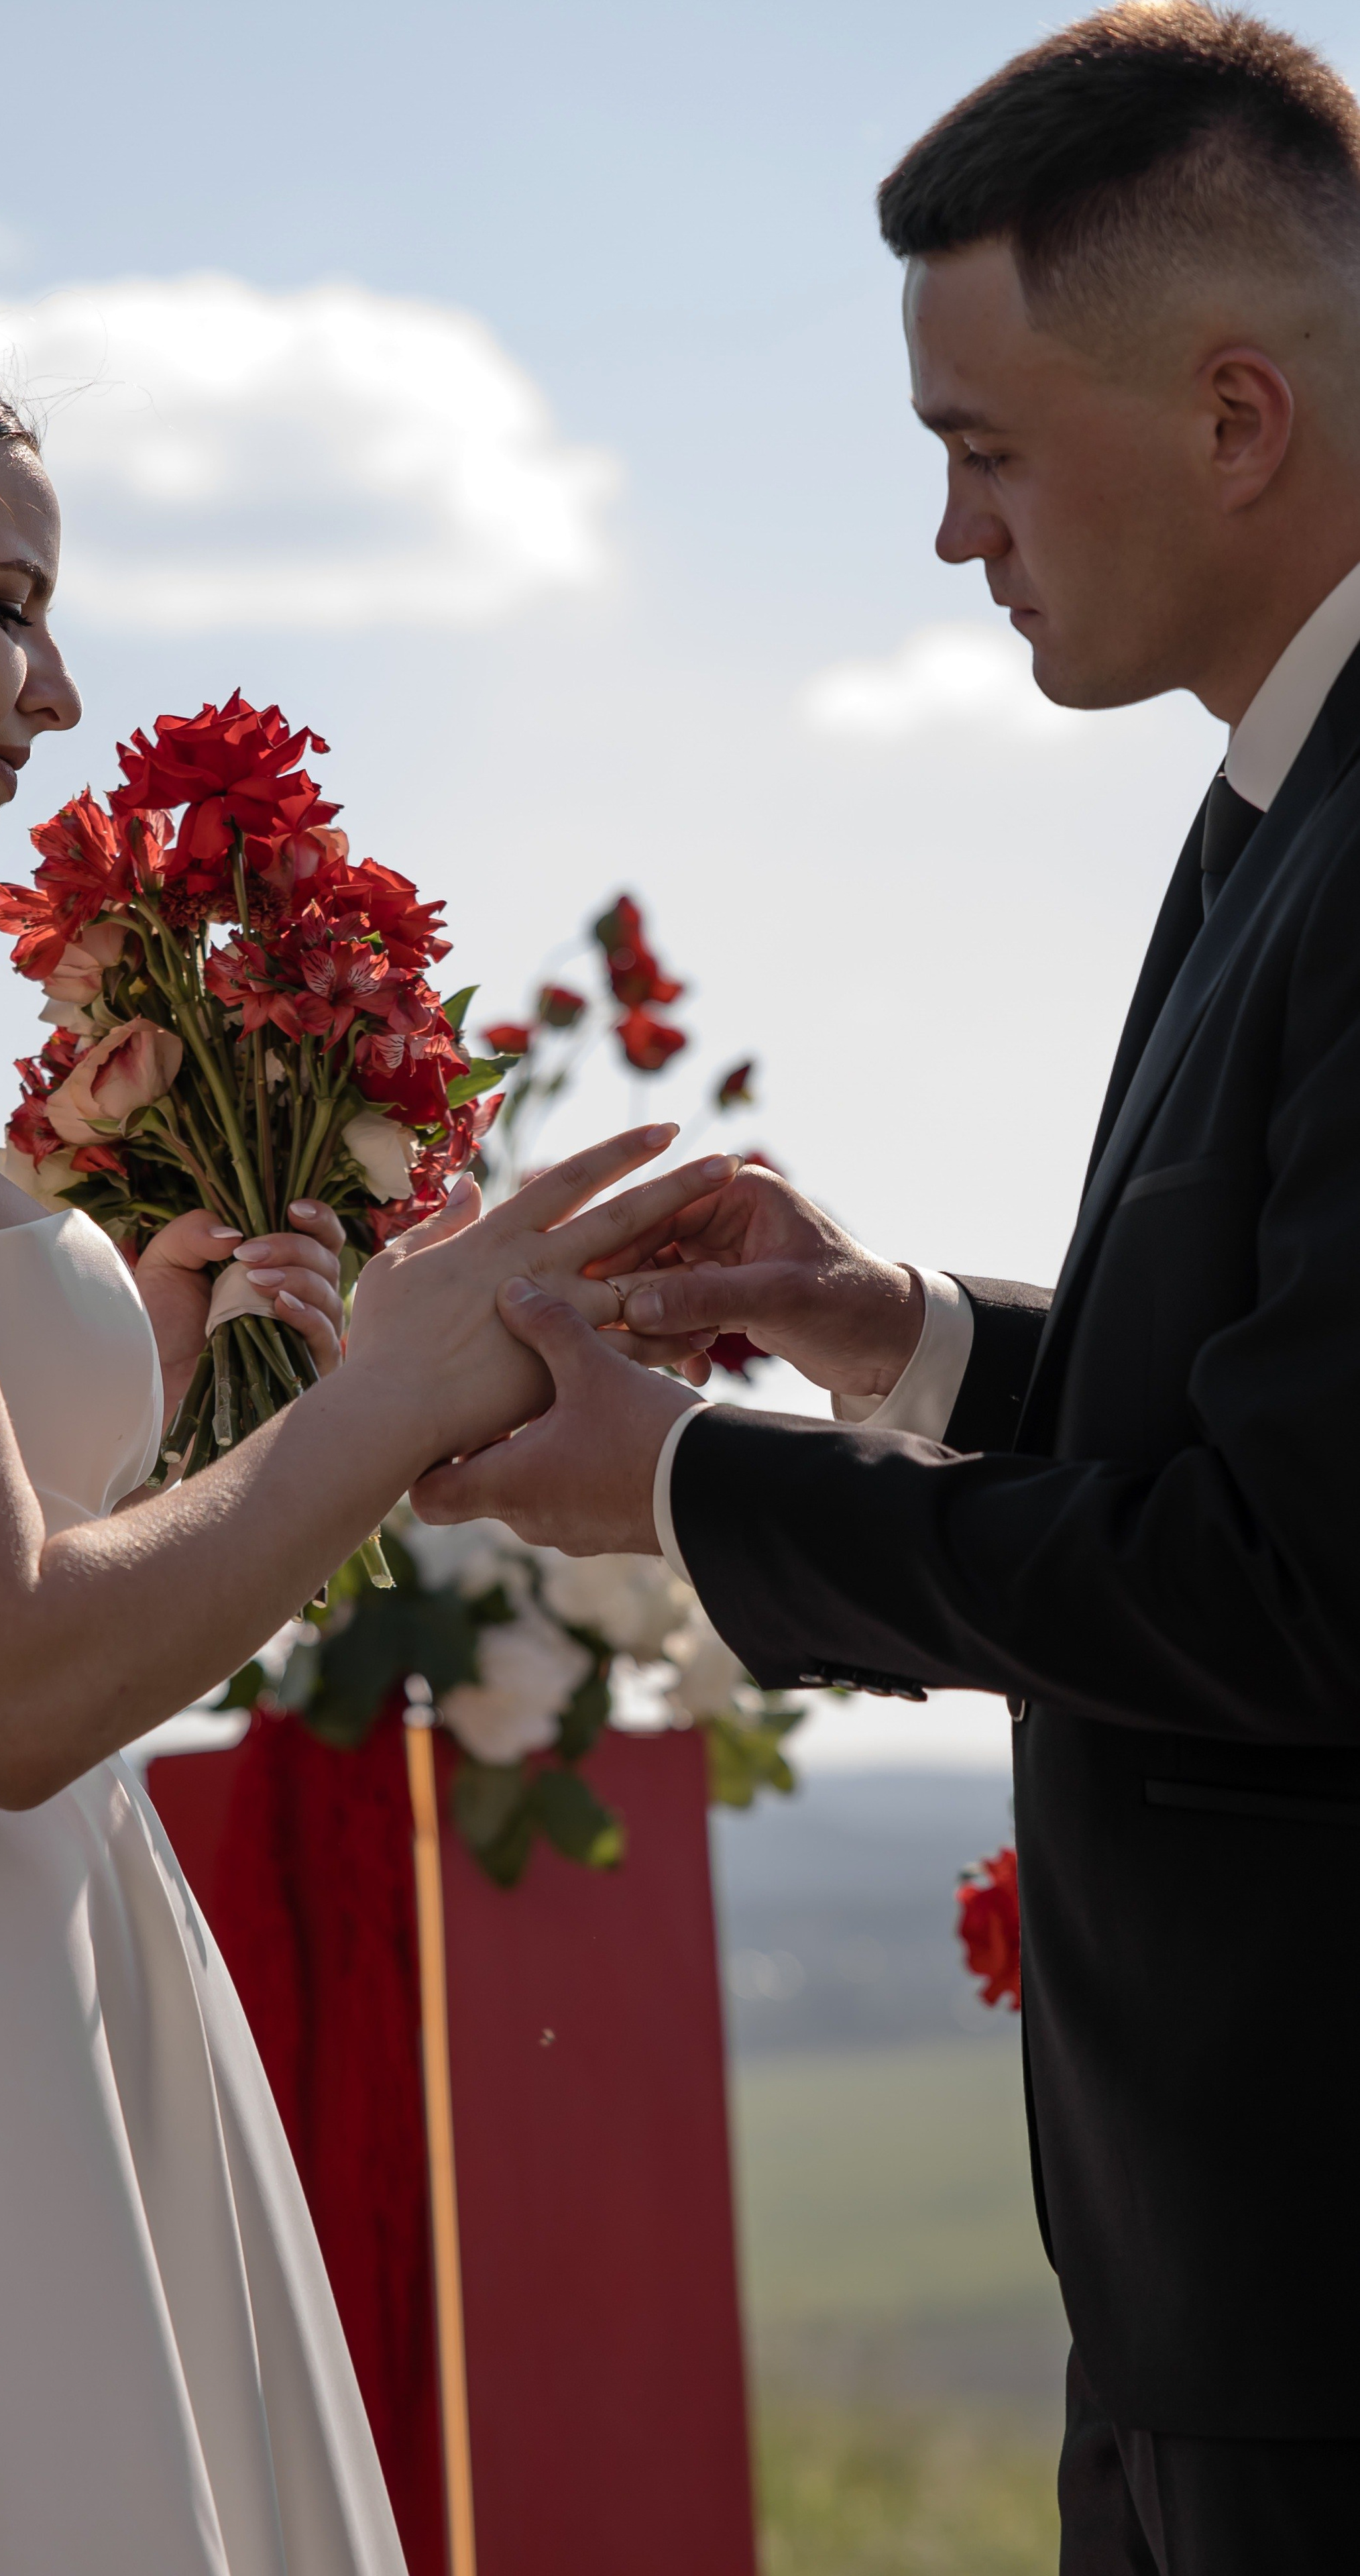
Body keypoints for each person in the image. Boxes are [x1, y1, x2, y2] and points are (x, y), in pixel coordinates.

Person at [0, 303, 732, 2575]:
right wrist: (404, 1381)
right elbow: (2, 1681)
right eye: (11, 604)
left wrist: (132, 1340)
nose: (55, 697)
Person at [411, 8, 1360, 2568]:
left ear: (1236, 414)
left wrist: (702, 1492)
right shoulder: (1277, 788)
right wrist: (893, 1329)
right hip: (1211, 2303)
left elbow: (1303, 1594)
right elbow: (1267, 1426)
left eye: (981, 449)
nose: (953, 538)